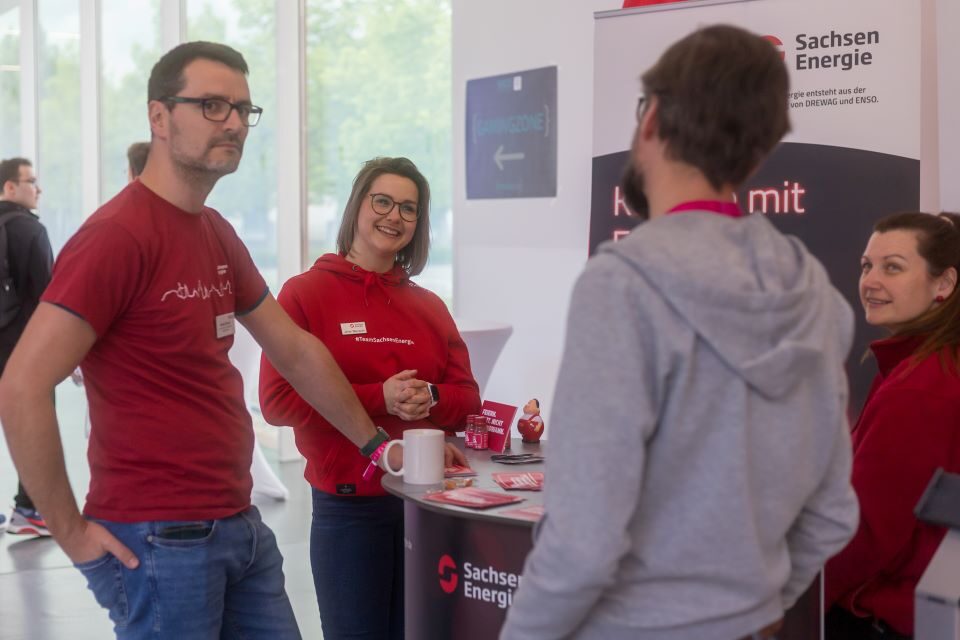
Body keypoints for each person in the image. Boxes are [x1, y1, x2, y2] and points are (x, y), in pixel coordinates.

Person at [0, 42, 461, 639]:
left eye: (244, 109)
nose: (235, 123)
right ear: (159, 116)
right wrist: (71, 534)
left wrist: (377, 448)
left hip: (239, 524)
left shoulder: (214, 231)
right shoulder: (117, 236)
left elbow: (296, 352)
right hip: (159, 537)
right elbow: (22, 385)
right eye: (212, 105)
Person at [501, 25, 859, 640]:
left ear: (652, 119)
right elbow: (832, 513)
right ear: (758, 154)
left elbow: (582, 542)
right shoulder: (817, 296)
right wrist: (751, 607)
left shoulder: (622, 285)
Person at [259, 156, 481, 640]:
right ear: (357, 207)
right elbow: (276, 401)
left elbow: (468, 401)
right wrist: (380, 397)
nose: (394, 216)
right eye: (382, 201)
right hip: (349, 511)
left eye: (408, 208)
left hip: (428, 506)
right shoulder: (304, 294)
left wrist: (430, 397)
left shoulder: (429, 306)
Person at [824, 212, 960, 640]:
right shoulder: (923, 370)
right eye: (867, 266)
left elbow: (867, 535)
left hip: (882, 622)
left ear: (944, 283)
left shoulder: (920, 388)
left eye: (893, 267)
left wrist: (788, 599)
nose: (870, 281)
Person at [0, 157, 53, 537]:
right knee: (32, 425)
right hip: (23, 348)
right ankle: (29, 509)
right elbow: (49, 298)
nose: (38, 188)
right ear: (9, 187)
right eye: (31, 181)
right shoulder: (29, 230)